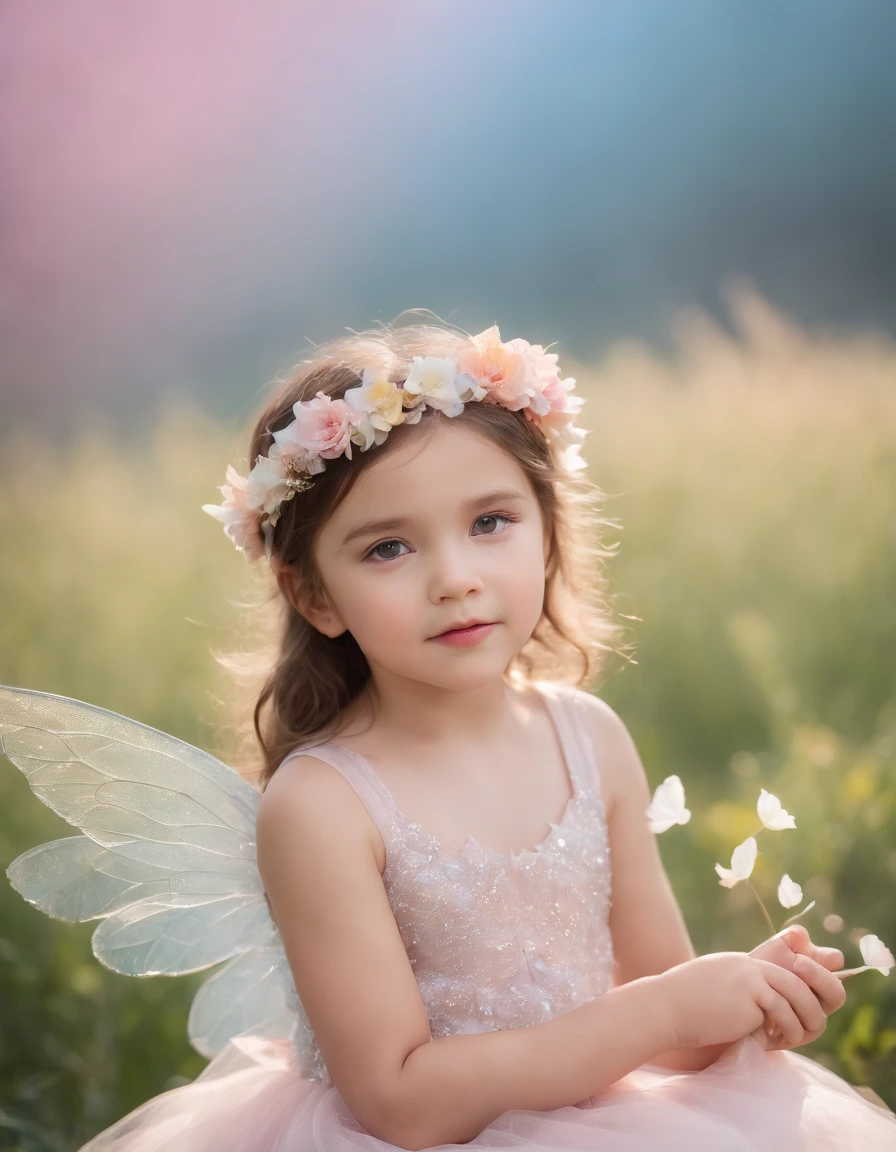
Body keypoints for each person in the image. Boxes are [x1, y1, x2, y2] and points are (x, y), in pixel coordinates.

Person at [4, 319, 895, 1150]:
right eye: (389, 548)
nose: (455, 578)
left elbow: (669, 1022)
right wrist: (663, 1013)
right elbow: (397, 1099)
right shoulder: (323, 805)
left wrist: (743, 999)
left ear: (547, 534)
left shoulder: (587, 736)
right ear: (313, 593)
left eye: (490, 522)